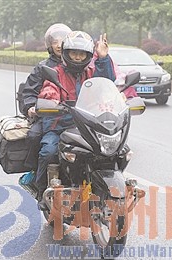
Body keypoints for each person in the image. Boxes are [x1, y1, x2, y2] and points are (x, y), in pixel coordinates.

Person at [35, 31, 117, 210]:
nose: (78, 58)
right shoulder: (56, 73)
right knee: (48, 152)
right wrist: (51, 100)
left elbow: (107, 82)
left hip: (88, 126)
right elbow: (49, 88)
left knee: (116, 150)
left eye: (82, 54)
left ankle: (108, 185)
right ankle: (42, 192)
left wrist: (103, 57)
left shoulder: (91, 72)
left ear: (88, 56)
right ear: (66, 53)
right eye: (74, 53)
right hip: (60, 126)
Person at [19, 23, 72, 176]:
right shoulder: (43, 67)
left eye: (62, 41)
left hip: (77, 117)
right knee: (35, 137)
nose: (59, 45)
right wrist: (31, 107)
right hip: (49, 115)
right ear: (49, 44)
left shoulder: (81, 65)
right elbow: (29, 92)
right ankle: (36, 172)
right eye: (55, 41)